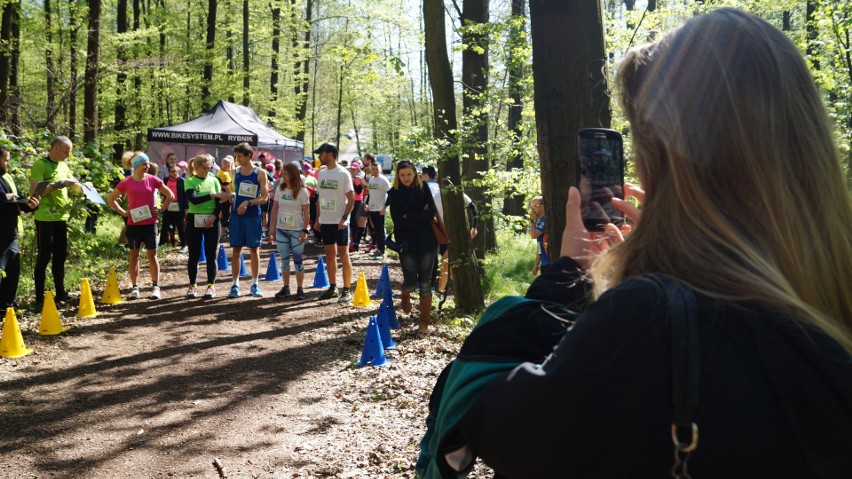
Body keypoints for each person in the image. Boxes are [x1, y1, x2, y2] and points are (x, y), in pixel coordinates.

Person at [451, 9, 852, 477]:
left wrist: (565, 278)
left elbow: (487, 419)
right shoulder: (831, 300)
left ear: (669, 161)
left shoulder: (646, 321)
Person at [106, 152, 174, 299]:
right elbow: (110, 198)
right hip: (134, 225)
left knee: (152, 255)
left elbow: (170, 195)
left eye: (148, 163)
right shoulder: (126, 182)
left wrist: (161, 210)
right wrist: (123, 212)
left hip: (150, 224)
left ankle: (155, 287)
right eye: (144, 164)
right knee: (134, 256)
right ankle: (135, 288)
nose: (147, 166)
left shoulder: (153, 180)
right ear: (136, 166)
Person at [387, 160, 438, 335]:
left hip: (427, 241)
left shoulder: (424, 188)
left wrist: (409, 215)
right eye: (402, 175)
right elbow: (398, 220)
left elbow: (431, 212)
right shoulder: (393, 193)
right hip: (406, 243)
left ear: (415, 174)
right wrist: (419, 215)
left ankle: (423, 323)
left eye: (409, 174)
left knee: (425, 283)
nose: (406, 178)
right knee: (410, 280)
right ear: (397, 176)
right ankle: (405, 292)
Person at [29, 136, 80, 306]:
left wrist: (83, 187)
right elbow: (35, 192)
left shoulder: (64, 165)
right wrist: (58, 184)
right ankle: (39, 298)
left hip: (61, 218)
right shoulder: (40, 164)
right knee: (44, 257)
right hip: (45, 218)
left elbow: (74, 185)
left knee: (60, 256)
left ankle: (60, 293)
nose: (69, 154)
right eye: (67, 151)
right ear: (56, 148)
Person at [422, 166, 478, 295]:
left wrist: (474, 227)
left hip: (457, 233)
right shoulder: (434, 193)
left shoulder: (457, 194)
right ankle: (446, 290)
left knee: (446, 261)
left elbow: (473, 207)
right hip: (441, 233)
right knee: (447, 263)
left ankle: (442, 291)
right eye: (442, 179)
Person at [313, 143, 355, 302]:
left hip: (340, 222)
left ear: (329, 154)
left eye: (321, 154)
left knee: (343, 255)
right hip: (326, 221)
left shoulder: (343, 173)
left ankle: (346, 289)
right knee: (329, 254)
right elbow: (319, 199)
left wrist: (344, 219)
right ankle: (332, 288)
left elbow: (351, 200)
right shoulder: (321, 173)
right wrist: (317, 219)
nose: (318, 157)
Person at [0, 146, 40, 309]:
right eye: (5, 160)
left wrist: (31, 205)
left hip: (10, 234)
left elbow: (19, 198)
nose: (7, 163)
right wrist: (3, 197)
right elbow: (5, 198)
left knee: (12, 273)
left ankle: (6, 306)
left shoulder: (7, 177)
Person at [184, 154, 228, 298]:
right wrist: (212, 195)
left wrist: (214, 217)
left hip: (212, 220)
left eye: (210, 167)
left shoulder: (214, 180)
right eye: (206, 168)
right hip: (194, 220)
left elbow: (219, 203)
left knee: (211, 255)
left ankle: (210, 286)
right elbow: (194, 200)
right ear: (198, 167)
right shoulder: (189, 181)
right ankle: (192, 285)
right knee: (194, 255)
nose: (209, 170)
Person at [228, 142, 269, 298]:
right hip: (237, 216)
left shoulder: (260, 173)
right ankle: (235, 285)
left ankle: (254, 284)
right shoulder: (234, 172)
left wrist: (248, 202)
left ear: (249, 156)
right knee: (236, 250)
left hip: (253, 216)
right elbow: (233, 192)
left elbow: (265, 198)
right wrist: (229, 196)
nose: (237, 159)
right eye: (236, 156)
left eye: (239, 156)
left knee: (254, 250)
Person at [268, 162, 311, 300]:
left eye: (285, 174)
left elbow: (307, 212)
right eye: (282, 174)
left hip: (297, 230)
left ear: (293, 175)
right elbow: (275, 208)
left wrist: (305, 230)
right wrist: (271, 229)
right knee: (284, 259)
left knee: (298, 260)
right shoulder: (280, 189)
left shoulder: (303, 192)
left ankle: (300, 289)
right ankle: (286, 288)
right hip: (281, 229)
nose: (283, 176)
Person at [364, 154, 391, 259]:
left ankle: (382, 251)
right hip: (372, 208)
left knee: (380, 231)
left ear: (380, 169)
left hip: (380, 209)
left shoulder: (383, 180)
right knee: (374, 230)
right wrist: (367, 203)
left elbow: (390, 194)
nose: (374, 171)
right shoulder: (371, 179)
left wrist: (384, 207)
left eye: (376, 169)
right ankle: (378, 249)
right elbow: (370, 193)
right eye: (373, 169)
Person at [158, 164, 187, 248]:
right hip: (168, 205)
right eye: (172, 171)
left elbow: (185, 196)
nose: (174, 173)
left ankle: (184, 244)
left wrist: (186, 208)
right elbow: (162, 193)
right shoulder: (165, 180)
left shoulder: (181, 180)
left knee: (180, 226)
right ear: (169, 172)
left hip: (179, 206)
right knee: (165, 225)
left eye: (176, 171)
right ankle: (162, 244)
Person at [348, 160, 366, 252]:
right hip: (351, 201)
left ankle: (355, 242)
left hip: (358, 202)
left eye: (354, 169)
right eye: (351, 169)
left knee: (356, 222)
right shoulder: (351, 178)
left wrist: (354, 182)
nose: (352, 170)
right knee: (352, 222)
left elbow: (359, 191)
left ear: (357, 170)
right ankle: (353, 241)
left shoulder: (359, 178)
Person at [528, 196, 549, 275]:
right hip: (544, 263)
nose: (532, 209)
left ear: (542, 206)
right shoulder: (539, 222)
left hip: (550, 262)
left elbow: (533, 235)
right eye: (531, 206)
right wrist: (536, 264)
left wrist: (532, 221)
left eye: (535, 206)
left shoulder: (545, 220)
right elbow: (540, 246)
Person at [216, 155, 234, 241]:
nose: (231, 166)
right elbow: (227, 187)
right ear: (226, 164)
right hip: (226, 197)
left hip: (222, 196)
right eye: (230, 164)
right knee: (226, 214)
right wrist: (231, 197)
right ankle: (223, 233)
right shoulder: (224, 174)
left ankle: (224, 232)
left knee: (224, 214)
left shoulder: (220, 172)